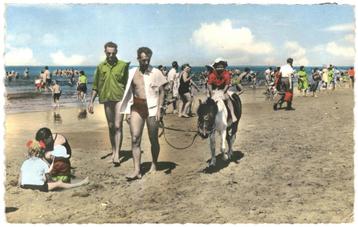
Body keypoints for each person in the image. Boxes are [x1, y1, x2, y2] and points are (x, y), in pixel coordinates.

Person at [120, 47, 167, 180]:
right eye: (143, 60)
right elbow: (128, 92)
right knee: (135, 138)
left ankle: (154, 163)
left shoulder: (156, 72)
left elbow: (162, 91)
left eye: (148, 60)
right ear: (138, 59)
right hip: (137, 106)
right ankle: (137, 170)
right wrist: (127, 112)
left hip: (152, 108)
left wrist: (159, 110)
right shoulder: (132, 72)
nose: (146, 62)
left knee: (153, 138)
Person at [88, 42, 130, 165]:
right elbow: (96, 86)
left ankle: (117, 154)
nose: (111, 55)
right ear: (105, 52)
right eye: (108, 53)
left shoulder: (123, 65)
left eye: (113, 53)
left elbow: (128, 86)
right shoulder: (101, 67)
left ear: (116, 52)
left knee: (118, 126)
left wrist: (130, 103)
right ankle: (113, 151)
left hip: (119, 98)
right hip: (106, 98)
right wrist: (91, 102)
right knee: (111, 126)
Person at [19, 140, 88, 192]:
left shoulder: (24, 162)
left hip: (24, 186)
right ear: (39, 152)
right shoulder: (42, 163)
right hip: (39, 187)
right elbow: (47, 175)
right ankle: (81, 183)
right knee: (59, 183)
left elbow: (20, 180)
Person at [207, 58, 237, 123]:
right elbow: (209, 84)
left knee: (227, 99)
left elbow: (227, 84)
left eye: (221, 66)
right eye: (218, 66)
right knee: (208, 101)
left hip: (223, 89)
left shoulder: (226, 74)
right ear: (215, 67)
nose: (220, 68)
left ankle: (232, 114)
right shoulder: (212, 74)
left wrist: (223, 91)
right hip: (214, 89)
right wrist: (211, 92)